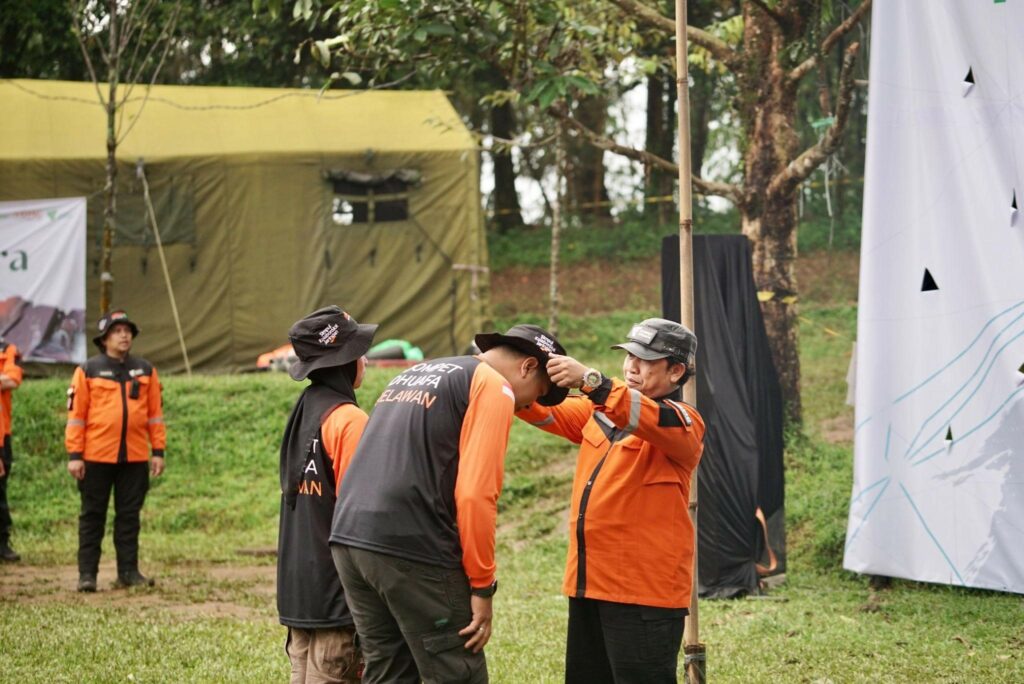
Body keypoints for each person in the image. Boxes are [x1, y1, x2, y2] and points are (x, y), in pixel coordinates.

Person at [330, 324, 569, 684]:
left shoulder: (418, 372)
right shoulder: (493, 385)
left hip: (350, 539)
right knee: (457, 672)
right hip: (412, 547)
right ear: (528, 367)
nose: (528, 404)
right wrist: (482, 586)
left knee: (390, 670)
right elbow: (475, 495)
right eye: (538, 392)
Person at [516, 317, 706, 684]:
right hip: (588, 586)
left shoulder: (682, 421)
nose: (632, 366)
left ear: (676, 371)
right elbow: (540, 409)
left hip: (643, 595)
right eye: (629, 356)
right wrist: (512, 375)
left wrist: (591, 381)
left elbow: (643, 414)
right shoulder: (598, 413)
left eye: (646, 360)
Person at [277, 306, 378, 684]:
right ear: (343, 362)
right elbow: (362, 512)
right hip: (338, 598)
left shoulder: (303, 411)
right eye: (358, 351)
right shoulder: (349, 420)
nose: (365, 359)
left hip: (301, 593)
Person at [65, 310, 166, 592]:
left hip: (134, 458)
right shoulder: (88, 370)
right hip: (95, 458)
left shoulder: (145, 370)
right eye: (117, 331)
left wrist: (157, 450)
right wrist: (75, 456)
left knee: (129, 517)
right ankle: (87, 575)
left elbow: (155, 415)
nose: (124, 335)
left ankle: (128, 572)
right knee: (92, 517)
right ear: (104, 338)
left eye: (128, 330)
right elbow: (76, 417)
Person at [0, 337, 23, 562]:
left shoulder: (7, 349)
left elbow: (12, 380)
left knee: (0, 492)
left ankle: (2, 543)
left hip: (1, 434)